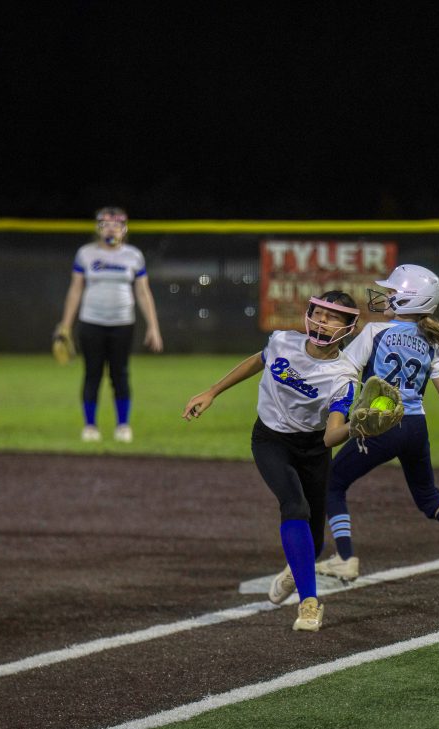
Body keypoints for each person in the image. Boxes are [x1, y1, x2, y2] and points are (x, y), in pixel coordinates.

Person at [316, 264, 439, 590]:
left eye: (392, 292)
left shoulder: (375, 332)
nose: (386, 296)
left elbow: (342, 372)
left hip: (380, 423)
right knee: (429, 497)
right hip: (416, 426)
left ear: (409, 299)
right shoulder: (431, 342)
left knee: (331, 484)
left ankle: (345, 558)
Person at [182, 291, 362, 632]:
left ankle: (296, 570)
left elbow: (330, 438)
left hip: (314, 447)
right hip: (270, 440)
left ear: (348, 327)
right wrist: (212, 391)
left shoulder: (344, 374)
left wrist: (357, 426)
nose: (322, 320)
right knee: (294, 506)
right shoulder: (283, 341)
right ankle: (309, 603)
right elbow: (258, 360)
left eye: (332, 316)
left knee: (314, 542)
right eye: (318, 312)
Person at [57, 207, 163, 443]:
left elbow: (143, 292)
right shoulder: (86, 254)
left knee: (120, 374)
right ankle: (90, 426)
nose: (111, 229)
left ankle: (123, 426)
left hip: (122, 323)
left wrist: (153, 326)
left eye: (116, 225)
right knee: (92, 374)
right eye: (105, 225)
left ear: (124, 229)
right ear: (98, 228)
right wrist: (65, 325)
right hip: (91, 322)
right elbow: (75, 290)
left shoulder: (133, 255)